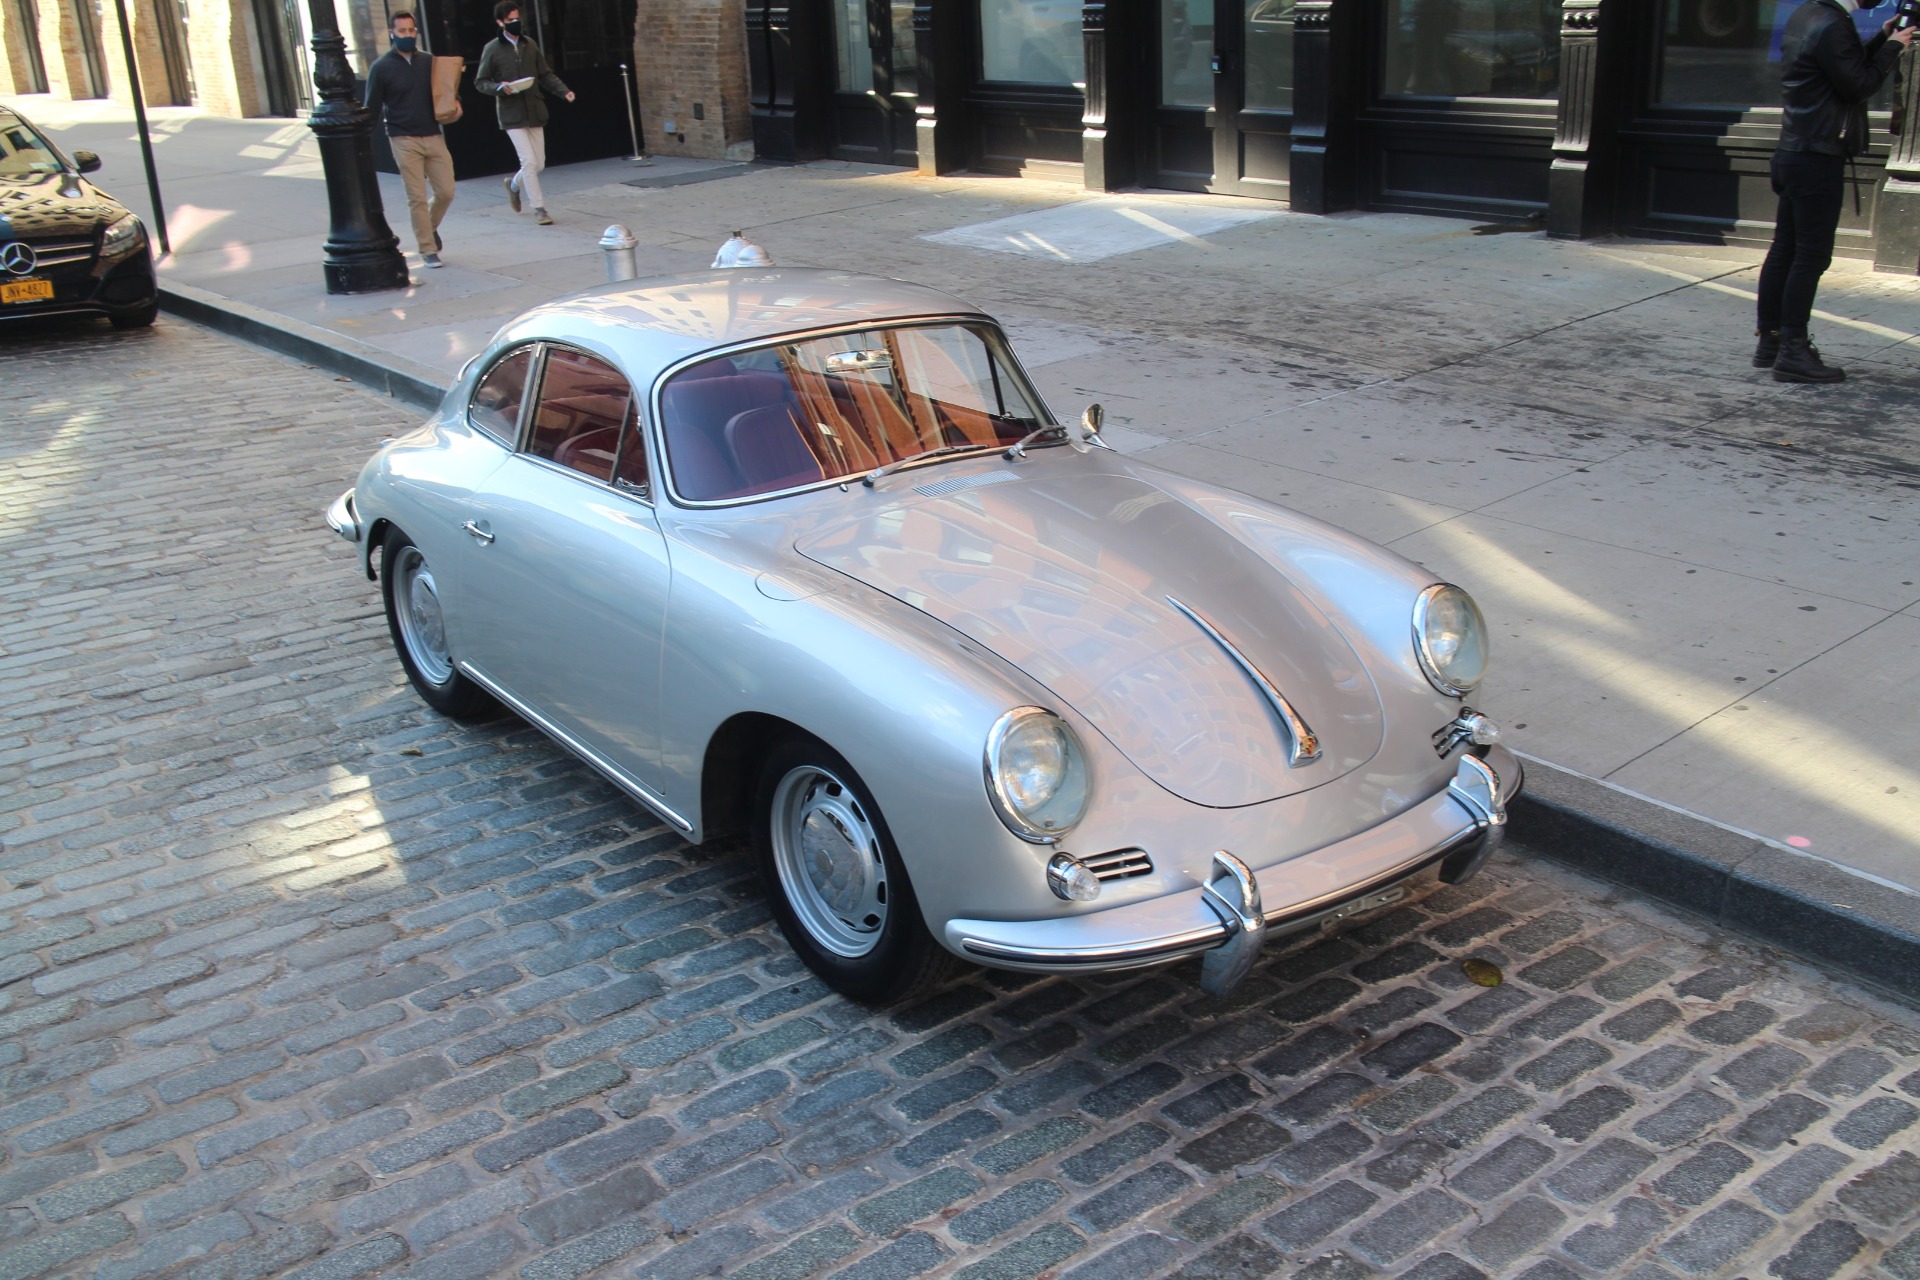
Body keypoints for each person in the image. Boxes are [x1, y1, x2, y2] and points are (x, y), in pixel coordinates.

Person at [1754, 0, 1913, 382]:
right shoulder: (1833, 23)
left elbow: (1838, 68)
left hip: (1793, 150)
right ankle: (1793, 349)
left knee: (1784, 249)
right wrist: (1897, 47)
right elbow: (1858, 84)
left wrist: (1882, 38)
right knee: (1810, 257)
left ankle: (1770, 341)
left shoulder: (1809, 14)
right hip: (1816, 158)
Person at [363, 12, 454, 268]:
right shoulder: (381, 68)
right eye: (402, 31)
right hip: (403, 138)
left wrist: (453, 108)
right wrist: (363, 142)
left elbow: (443, 94)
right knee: (416, 197)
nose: (407, 35)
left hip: (433, 134)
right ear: (392, 33)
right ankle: (428, 249)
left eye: (411, 31)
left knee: (446, 191)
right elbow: (372, 107)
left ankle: (430, 226)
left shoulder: (428, 62)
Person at [475, 1, 573, 227]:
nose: (516, 23)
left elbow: (545, 74)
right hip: (511, 112)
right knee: (528, 161)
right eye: (511, 20)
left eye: (517, 18)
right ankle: (539, 208)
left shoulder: (529, 45)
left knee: (539, 164)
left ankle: (514, 185)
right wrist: (500, 87)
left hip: (534, 108)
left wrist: (563, 91)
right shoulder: (492, 49)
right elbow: (480, 82)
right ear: (500, 22)